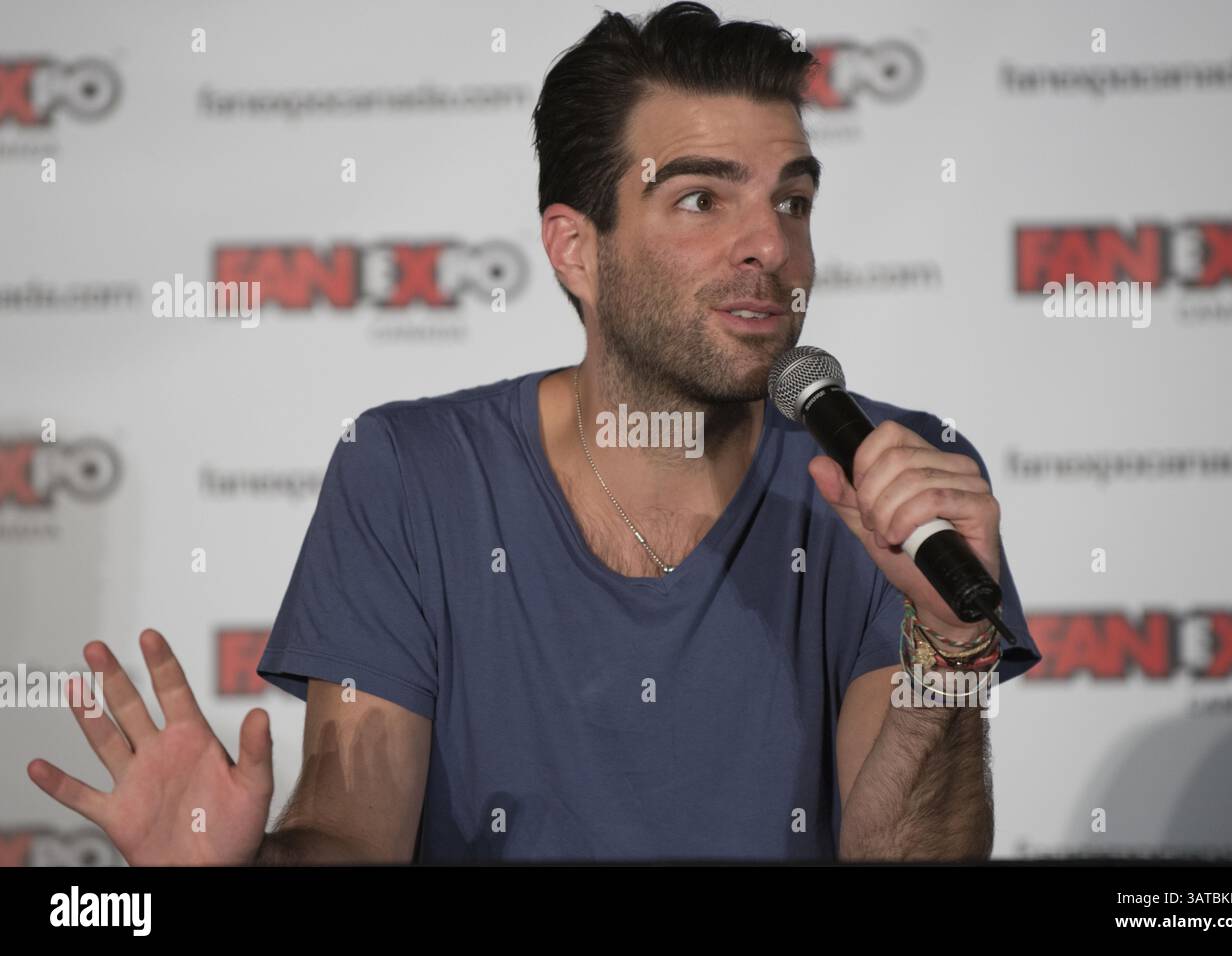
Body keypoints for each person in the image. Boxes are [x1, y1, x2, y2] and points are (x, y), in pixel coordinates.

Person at [28, 1, 1041, 865]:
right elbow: (350, 833)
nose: (771, 244)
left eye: (792, 198)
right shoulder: (409, 474)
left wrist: (948, 648)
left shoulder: (886, 476)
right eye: (700, 198)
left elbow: (910, 856)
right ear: (574, 248)